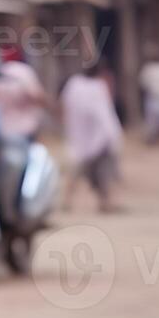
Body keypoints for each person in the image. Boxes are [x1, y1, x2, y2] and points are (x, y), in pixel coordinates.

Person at [60, 61, 124, 212]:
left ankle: (68, 200)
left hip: (81, 135)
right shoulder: (97, 87)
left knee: (78, 169)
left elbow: (65, 105)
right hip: (98, 137)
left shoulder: (74, 85)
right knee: (102, 172)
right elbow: (104, 115)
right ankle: (104, 202)